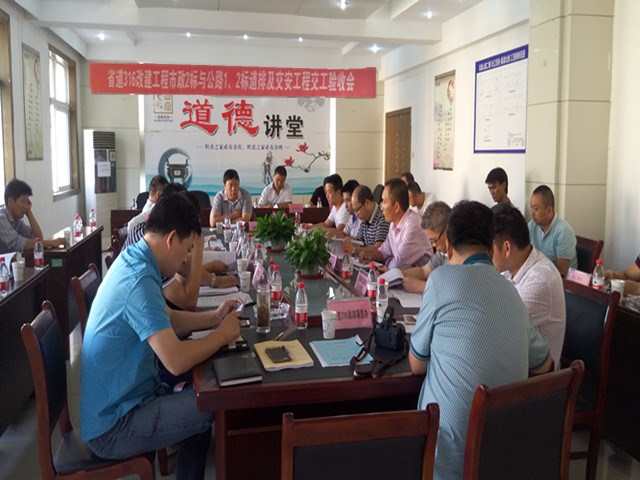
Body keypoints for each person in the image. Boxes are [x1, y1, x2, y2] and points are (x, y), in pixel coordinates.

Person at [81, 192, 243, 480]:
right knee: (210, 406)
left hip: (126, 399)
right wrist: (220, 336)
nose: (186, 259)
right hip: (115, 425)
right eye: (187, 249)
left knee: (202, 401)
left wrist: (214, 317)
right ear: (171, 239)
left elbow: (166, 319)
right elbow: (175, 361)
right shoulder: (139, 281)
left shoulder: (137, 259)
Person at [409, 200, 552, 480]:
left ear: (449, 244)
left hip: (445, 463)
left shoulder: (440, 280)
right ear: (491, 245)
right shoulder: (512, 292)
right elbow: (544, 364)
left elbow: (417, 365)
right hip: (502, 459)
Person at [493, 204, 566, 366]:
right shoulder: (511, 266)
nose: (486, 255)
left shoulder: (539, 281)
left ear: (506, 248)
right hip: (516, 361)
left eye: (489, 248)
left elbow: (500, 332)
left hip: (538, 377)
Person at [361, 178, 432, 269]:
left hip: (418, 277)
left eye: (384, 202)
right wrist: (370, 256)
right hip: (401, 274)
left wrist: (385, 264)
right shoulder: (393, 224)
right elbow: (384, 251)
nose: (381, 207)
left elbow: (397, 264)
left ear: (396, 207)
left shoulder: (412, 225)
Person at [0, 178, 64, 253]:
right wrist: (51, 242)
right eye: (23, 201)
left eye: (27, 202)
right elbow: (17, 243)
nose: (26, 206)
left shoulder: (17, 221)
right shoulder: (1, 218)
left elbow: (38, 239)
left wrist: (29, 213)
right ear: (10, 201)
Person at [528, 185, 578, 277]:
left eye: (536, 209)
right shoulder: (531, 226)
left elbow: (562, 272)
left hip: (560, 281)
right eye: (531, 208)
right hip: (537, 276)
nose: (532, 213)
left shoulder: (563, 232)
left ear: (549, 210)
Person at [402, 201, 451, 293]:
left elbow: (452, 290)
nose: (433, 246)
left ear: (446, 231)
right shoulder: (442, 252)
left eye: (434, 241)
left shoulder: (461, 254)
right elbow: (424, 271)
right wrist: (398, 275)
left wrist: (420, 286)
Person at [343, 185, 389, 255]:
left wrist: (353, 249)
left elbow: (379, 249)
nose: (356, 215)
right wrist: (345, 241)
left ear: (367, 203)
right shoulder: (365, 218)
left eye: (357, 210)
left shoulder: (382, 218)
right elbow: (358, 239)